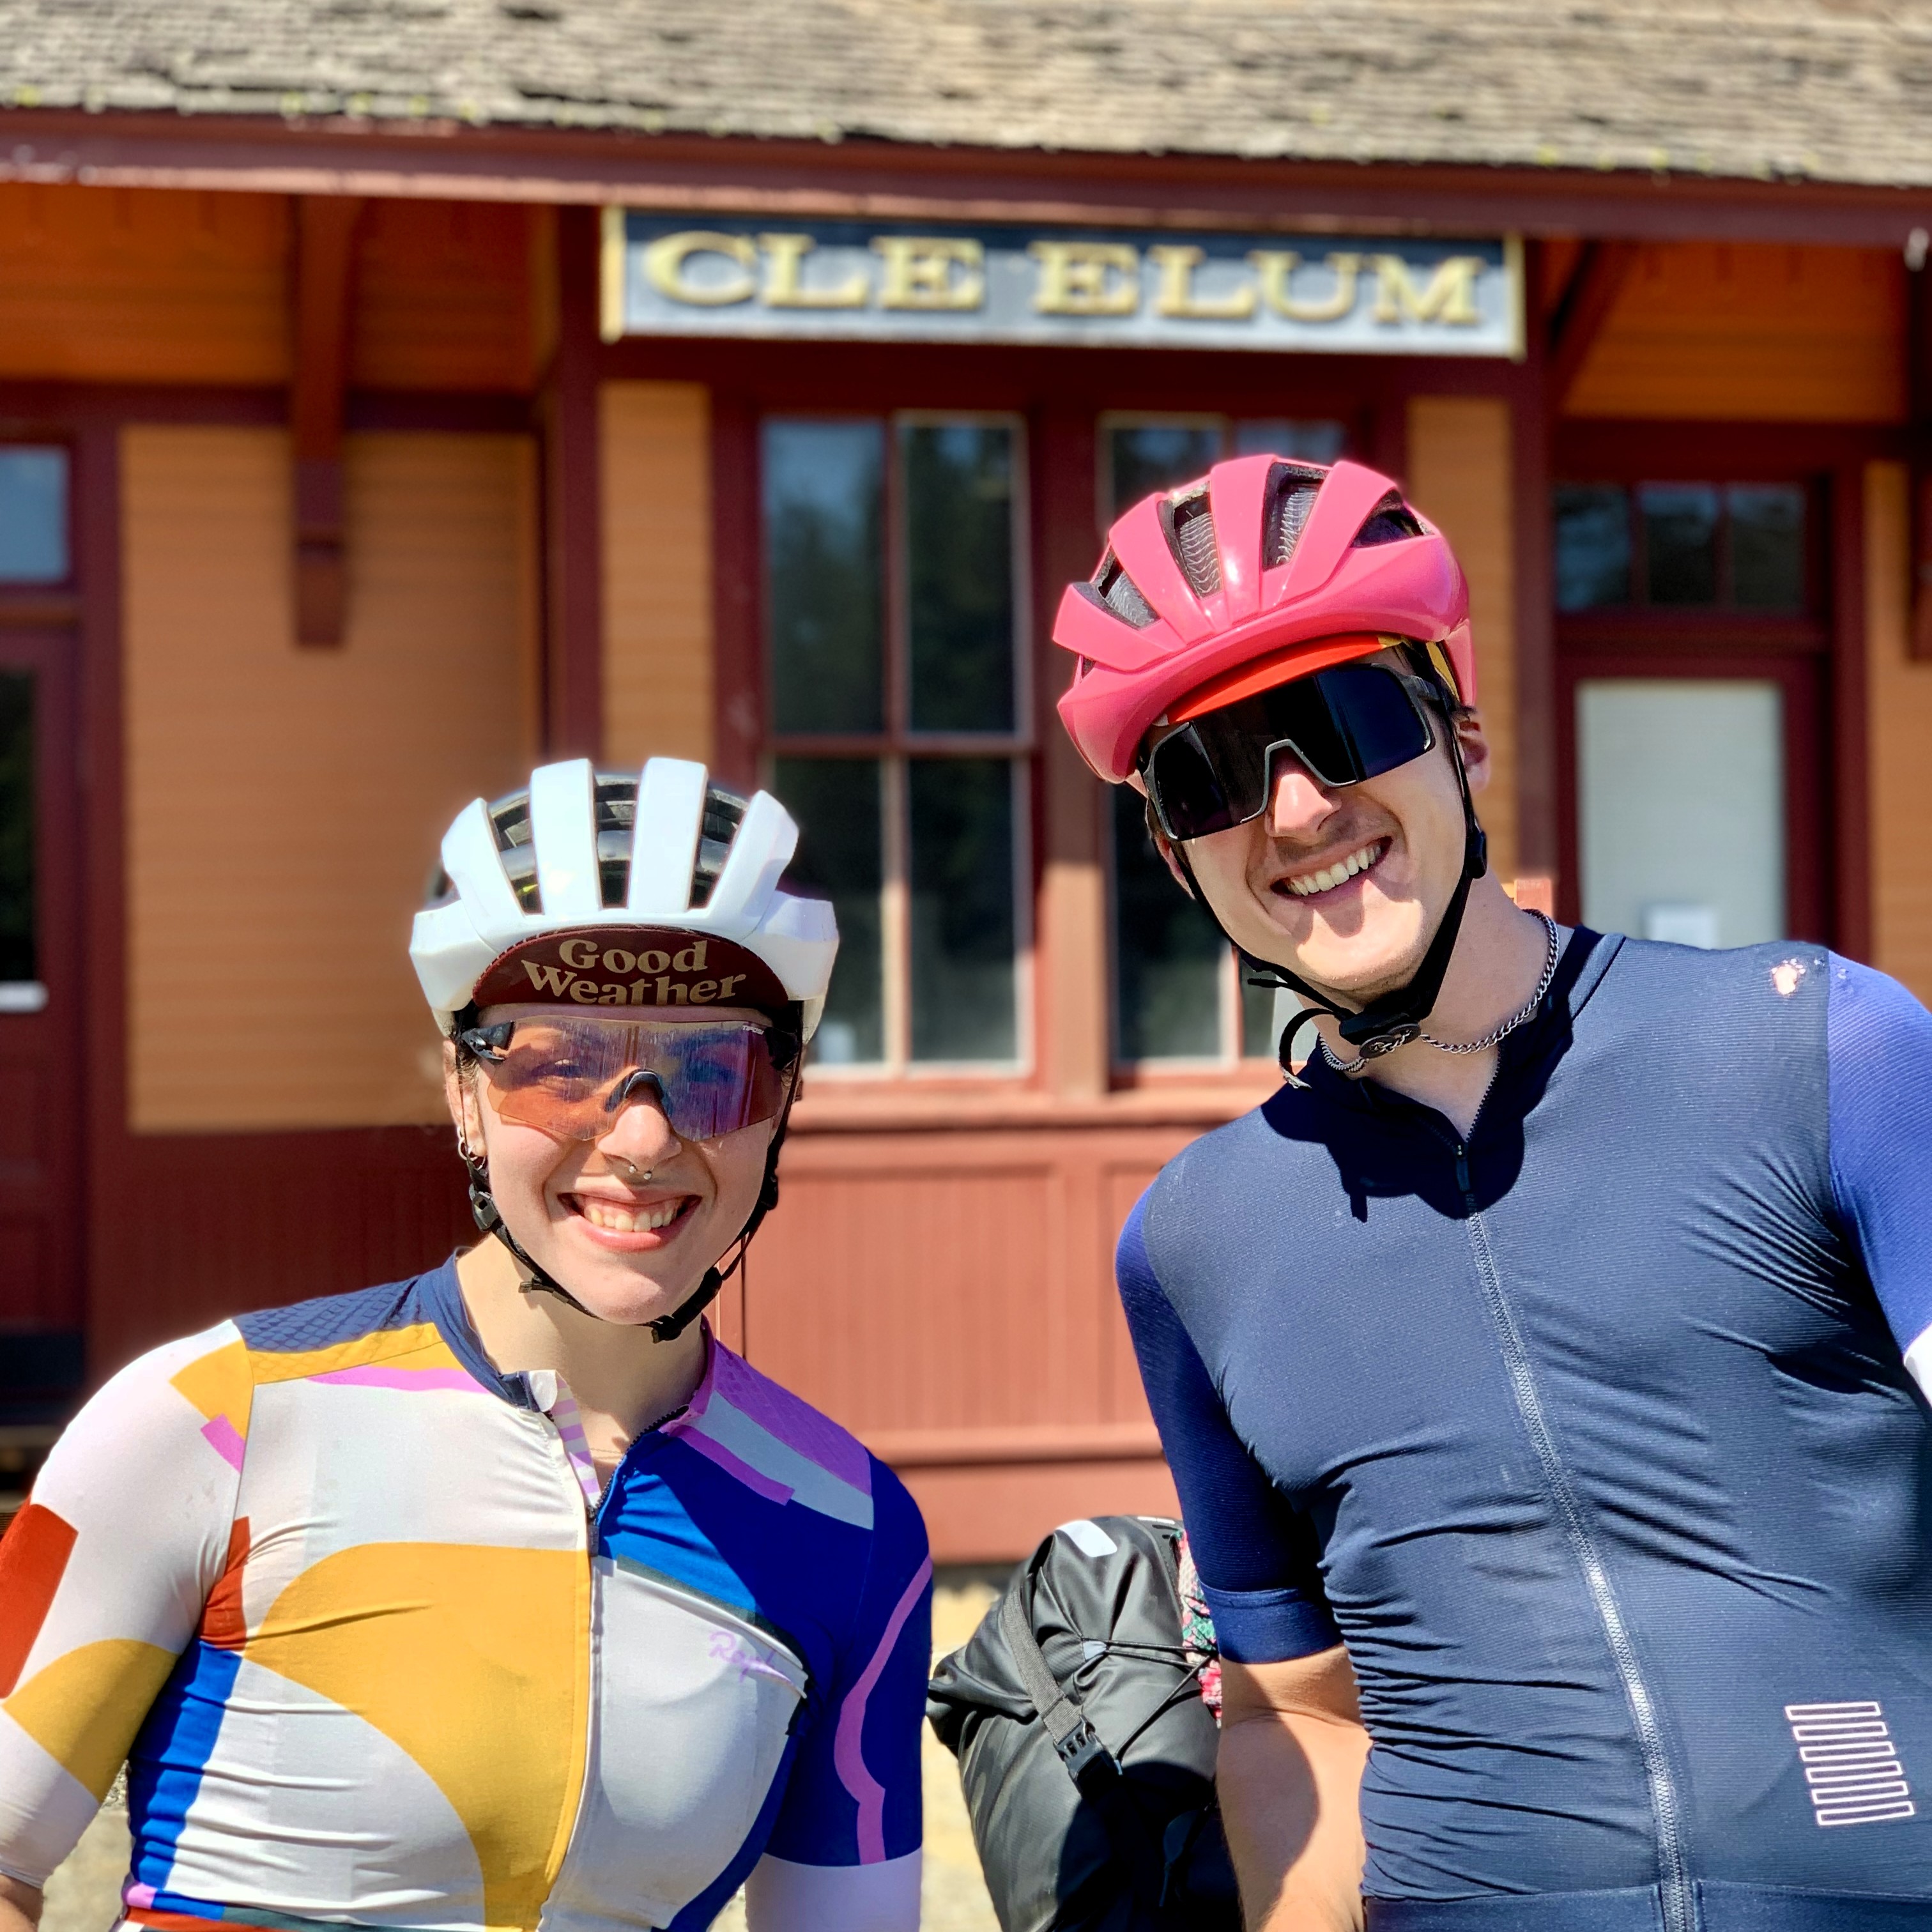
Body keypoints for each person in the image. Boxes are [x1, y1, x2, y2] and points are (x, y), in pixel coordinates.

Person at [1052, 454, 1932, 1930]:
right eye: (1211, 773)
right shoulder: (1197, 1239)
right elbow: (1295, 1717)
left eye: (1344, 720)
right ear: (1170, 852)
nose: (1297, 808)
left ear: (1458, 728)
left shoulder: (1816, 1045)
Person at [0, 759, 931, 1932]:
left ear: (785, 1098)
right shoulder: (211, 1417)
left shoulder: (853, 1527)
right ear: (463, 1090)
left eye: (714, 1069)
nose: (641, 1136)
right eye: (560, 1067)